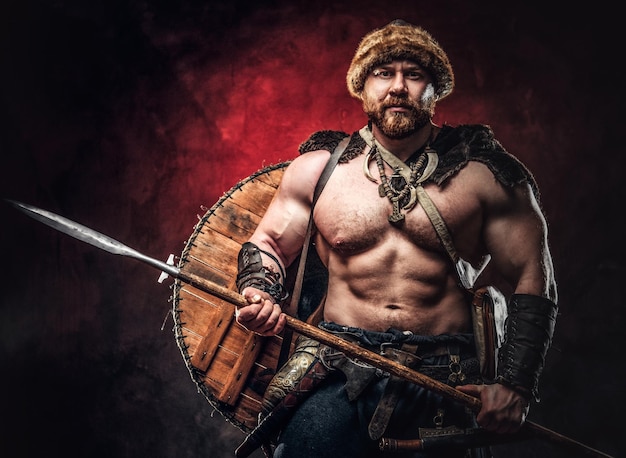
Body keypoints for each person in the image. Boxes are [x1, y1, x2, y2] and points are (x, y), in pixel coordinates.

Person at [234, 19, 558, 458]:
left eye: (415, 74)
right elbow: (268, 244)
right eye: (384, 73)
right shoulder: (320, 169)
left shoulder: (486, 174)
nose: (399, 87)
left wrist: (515, 385)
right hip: (337, 364)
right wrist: (260, 291)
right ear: (362, 86)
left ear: (436, 87)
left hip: (446, 375)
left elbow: (533, 277)